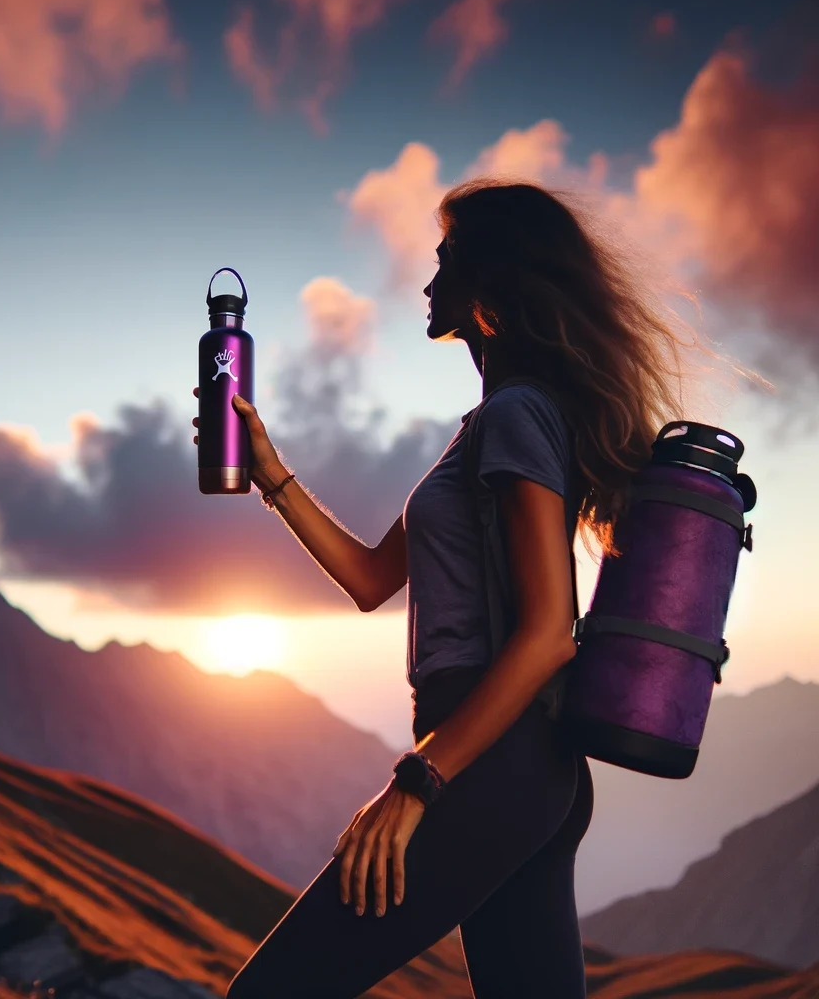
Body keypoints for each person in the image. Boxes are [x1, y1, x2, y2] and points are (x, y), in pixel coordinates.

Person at [191, 179, 713, 998]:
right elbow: (372, 580)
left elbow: (548, 634)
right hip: (521, 772)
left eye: (445, 260)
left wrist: (418, 783)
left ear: (490, 282)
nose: (429, 280)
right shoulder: (493, 423)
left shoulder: (517, 416)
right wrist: (270, 474)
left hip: (487, 765)